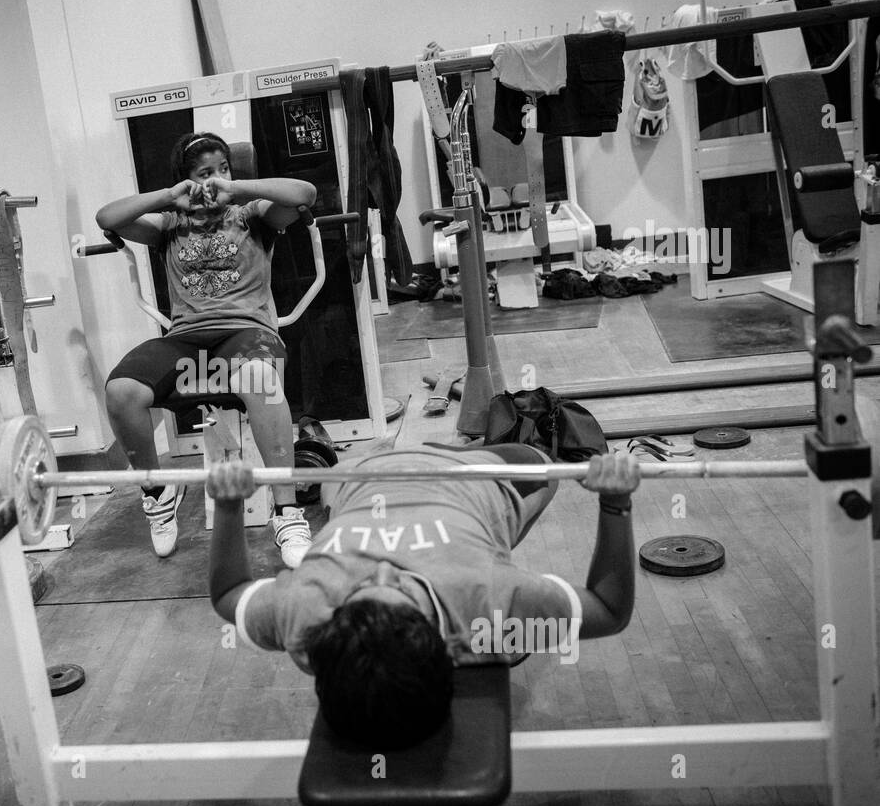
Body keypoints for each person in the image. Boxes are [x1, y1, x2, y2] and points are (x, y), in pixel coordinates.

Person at [204, 441, 641, 748]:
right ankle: (493, 532)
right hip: (477, 469)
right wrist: (615, 502)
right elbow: (609, 608)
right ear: (441, 641)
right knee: (541, 464)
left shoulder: (305, 614)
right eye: (400, 587)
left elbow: (228, 594)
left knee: (334, 481)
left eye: (361, 590)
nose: (383, 568)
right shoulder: (488, 602)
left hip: (359, 472)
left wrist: (228, 505)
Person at [97, 132, 317, 566]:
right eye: (204, 173)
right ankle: (157, 492)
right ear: (186, 181)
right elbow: (108, 217)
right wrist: (169, 197)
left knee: (259, 378)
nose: (215, 179)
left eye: (222, 168)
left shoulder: (252, 214)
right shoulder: (168, 226)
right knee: (121, 391)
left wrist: (236, 188)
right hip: (186, 339)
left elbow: (304, 194)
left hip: (247, 333)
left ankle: (288, 513)